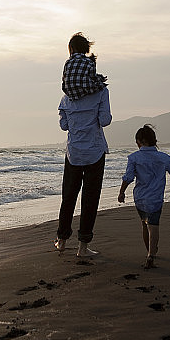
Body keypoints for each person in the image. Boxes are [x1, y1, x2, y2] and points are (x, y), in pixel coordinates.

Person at [55, 33, 112, 258]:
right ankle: (83, 246)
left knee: (68, 196)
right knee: (90, 199)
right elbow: (105, 120)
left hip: (74, 153)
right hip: (95, 151)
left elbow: (63, 126)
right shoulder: (101, 91)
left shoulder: (66, 97)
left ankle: (61, 240)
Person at [118, 125, 170, 268]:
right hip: (156, 198)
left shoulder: (134, 157)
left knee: (145, 225)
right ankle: (151, 254)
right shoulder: (163, 158)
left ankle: (150, 251)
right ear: (154, 140)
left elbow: (128, 178)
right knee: (154, 226)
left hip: (139, 198)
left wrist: (121, 192)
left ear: (139, 141)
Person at [62, 32, 107, 101]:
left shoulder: (68, 62)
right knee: (103, 86)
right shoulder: (89, 62)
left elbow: (64, 81)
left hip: (71, 93)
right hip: (85, 91)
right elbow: (93, 78)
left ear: (71, 49)